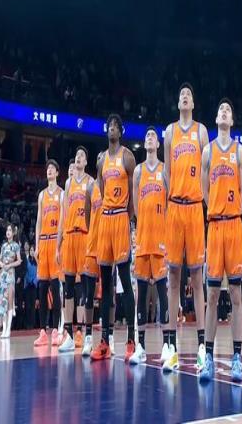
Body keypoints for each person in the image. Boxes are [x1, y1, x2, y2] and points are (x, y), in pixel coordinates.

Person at [198, 98, 242, 383]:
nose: (224, 112)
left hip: (234, 225)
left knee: (237, 295)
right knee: (213, 296)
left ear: (232, 119)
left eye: (228, 109)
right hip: (215, 226)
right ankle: (209, 358)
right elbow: (204, 188)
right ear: (216, 119)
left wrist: (232, 209)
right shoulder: (208, 150)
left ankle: (237, 358)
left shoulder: (239, 150)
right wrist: (215, 208)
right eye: (220, 110)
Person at [162, 83, 209, 372]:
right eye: (181, 94)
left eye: (189, 94)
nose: (184, 96)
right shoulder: (169, 132)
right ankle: (171, 344)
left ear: (193, 103)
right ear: (178, 103)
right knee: (173, 276)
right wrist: (172, 197)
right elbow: (167, 171)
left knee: (196, 276)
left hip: (194, 207)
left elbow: (206, 168)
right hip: (175, 206)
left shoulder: (201, 131)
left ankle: (202, 344)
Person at [92, 114, 136, 362]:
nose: (112, 129)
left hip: (120, 218)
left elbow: (132, 194)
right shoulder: (101, 160)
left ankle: (130, 339)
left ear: (121, 131)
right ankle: (104, 342)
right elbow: (101, 188)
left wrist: (127, 219)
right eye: (109, 126)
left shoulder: (127, 157)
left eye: (116, 126)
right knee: (105, 284)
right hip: (105, 219)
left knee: (125, 281)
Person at [130, 126, 169, 365]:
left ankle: (167, 345)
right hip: (143, 239)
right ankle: (141, 346)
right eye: (147, 136)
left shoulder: (165, 170)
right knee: (142, 294)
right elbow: (136, 205)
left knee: (163, 294)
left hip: (161, 239)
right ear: (144, 144)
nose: (150, 138)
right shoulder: (138, 171)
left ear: (158, 144)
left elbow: (168, 203)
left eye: (153, 135)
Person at [57, 146, 93, 352]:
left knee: (86, 289)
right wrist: (58, 245)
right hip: (69, 236)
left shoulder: (91, 183)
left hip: (85, 236)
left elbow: (94, 214)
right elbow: (63, 216)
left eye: (82, 156)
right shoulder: (68, 183)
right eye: (77, 155)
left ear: (86, 162)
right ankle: (69, 335)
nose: (78, 158)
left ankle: (86, 335)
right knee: (68, 289)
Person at [33, 160, 63, 347]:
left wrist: (59, 246)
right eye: (47, 169)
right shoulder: (42, 195)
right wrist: (36, 245)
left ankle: (55, 330)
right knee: (42, 289)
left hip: (55, 241)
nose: (49, 171)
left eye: (52, 168)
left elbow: (62, 221)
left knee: (55, 288)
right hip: (43, 242)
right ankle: (43, 331)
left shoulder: (61, 193)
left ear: (57, 173)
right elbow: (38, 221)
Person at [81, 153, 104, 356]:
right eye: (99, 159)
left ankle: (107, 337)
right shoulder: (90, 187)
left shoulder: (112, 184)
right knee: (88, 294)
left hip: (108, 245)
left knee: (107, 295)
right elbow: (87, 216)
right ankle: (88, 337)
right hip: (92, 245)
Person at [0, 224, 21, 338]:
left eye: (10, 230)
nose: (8, 232)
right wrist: (2, 264)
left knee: (9, 301)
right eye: (7, 230)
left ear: (13, 233)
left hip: (10, 274)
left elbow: (19, 261)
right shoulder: (4, 245)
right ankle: (4, 328)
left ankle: (8, 329)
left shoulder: (16, 246)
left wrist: (9, 265)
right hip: (3, 275)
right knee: (2, 301)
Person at [24, 245, 38, 330]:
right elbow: (25, 272)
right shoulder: (27, 261)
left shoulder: (37, 262)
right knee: (28, 305)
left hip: (34, 286)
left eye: (33, 250)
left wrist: (34, 281)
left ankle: (32, 324)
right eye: (31, 250)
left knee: (33, 306)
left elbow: (38, 273)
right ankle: (27, 324)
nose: (32, 252)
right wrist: (29, 280)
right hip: (28, 286)